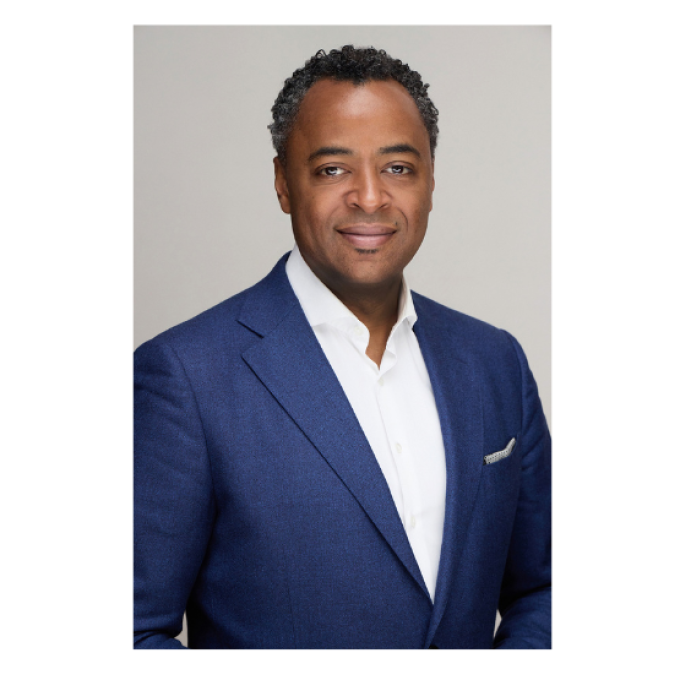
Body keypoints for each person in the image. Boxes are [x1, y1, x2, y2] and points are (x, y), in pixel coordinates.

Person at [134, 45, 551, 649]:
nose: (370, 197)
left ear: (432, 180)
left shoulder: (494, 361)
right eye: (333, 170)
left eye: (398, 167)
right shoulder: (185, 377)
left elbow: (547, 588)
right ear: (283, 183)